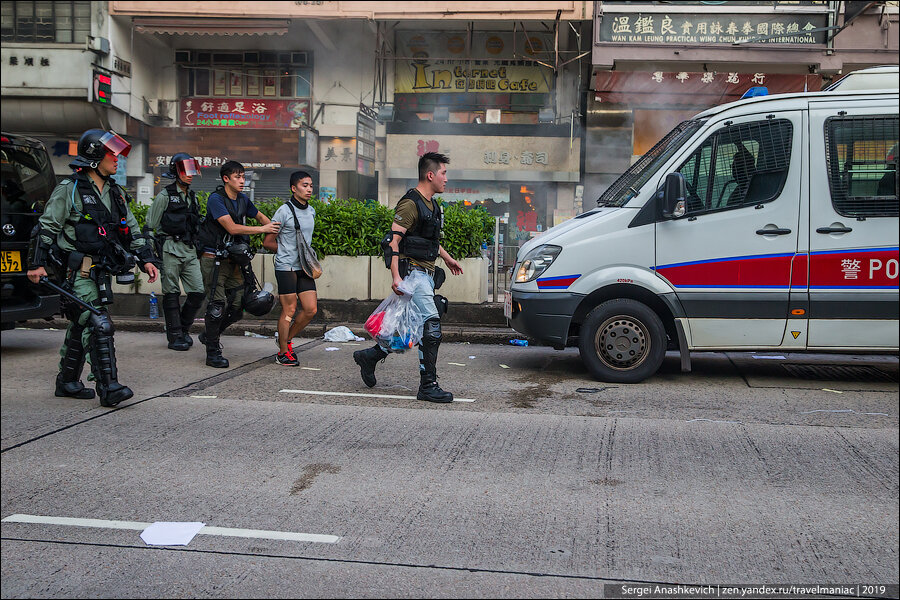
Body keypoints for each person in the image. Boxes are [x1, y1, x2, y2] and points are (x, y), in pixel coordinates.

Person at [26, 129, 159, 407]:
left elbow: (131, 231)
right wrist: (36, 265)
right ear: (95, 157)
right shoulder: (70, 189)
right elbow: (46, 228)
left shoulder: (116, 193)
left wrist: (146, 259)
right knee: (98, 322)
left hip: (102, 270)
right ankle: (108, 387)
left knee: (81, 322)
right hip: (77, 271)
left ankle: (67, 382)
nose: (117, 159)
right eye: (111, 154)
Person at [353, 152, 463, 403]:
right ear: (430, 174)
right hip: (412, 273)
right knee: (431, 326)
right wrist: (395, 277)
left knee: (406, 328)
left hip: (426, 273)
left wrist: (446, 257)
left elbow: (430, 240)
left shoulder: (433, 205)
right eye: (444, 173)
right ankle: (428, 386)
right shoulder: (410, 203)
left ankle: (370, 357)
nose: (446, 179)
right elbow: (393, 241)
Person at [196, 160, 279, 368]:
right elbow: (232, 228)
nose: (242, 181)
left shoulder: (242, 199)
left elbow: (261, 217)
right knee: (216, 306)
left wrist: (276, 230)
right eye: (237, 177)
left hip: (234, 260)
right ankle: (212, 353)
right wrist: (262, 230)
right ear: (226, 178)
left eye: (243, 176)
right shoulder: (216, 199)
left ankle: (209, 334)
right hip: (213, 259)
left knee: (237, 307)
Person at [143, 153, 204, 351]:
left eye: (191, 171)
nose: (190, 175)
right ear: (176, 172)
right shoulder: (164, 195)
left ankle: (183, 329)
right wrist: (150, 256)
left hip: (189, 250)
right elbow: (149, 227)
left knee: (197, 292)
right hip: (169, 249)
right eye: (185, 171)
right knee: (172, 293)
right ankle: (175, 336)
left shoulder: (192, 196)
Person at [262, 171, 318, 366]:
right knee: (289, 310)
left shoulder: (311, 211)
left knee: (310, 309)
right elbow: (268, 241)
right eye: (304, 185)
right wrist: (286, 250)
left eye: (311, 185)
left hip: (305, 266)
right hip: (286, 266)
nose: (309, 189)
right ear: (294, 188)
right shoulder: (283, 211)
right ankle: (283, 353)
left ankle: (284, 339)